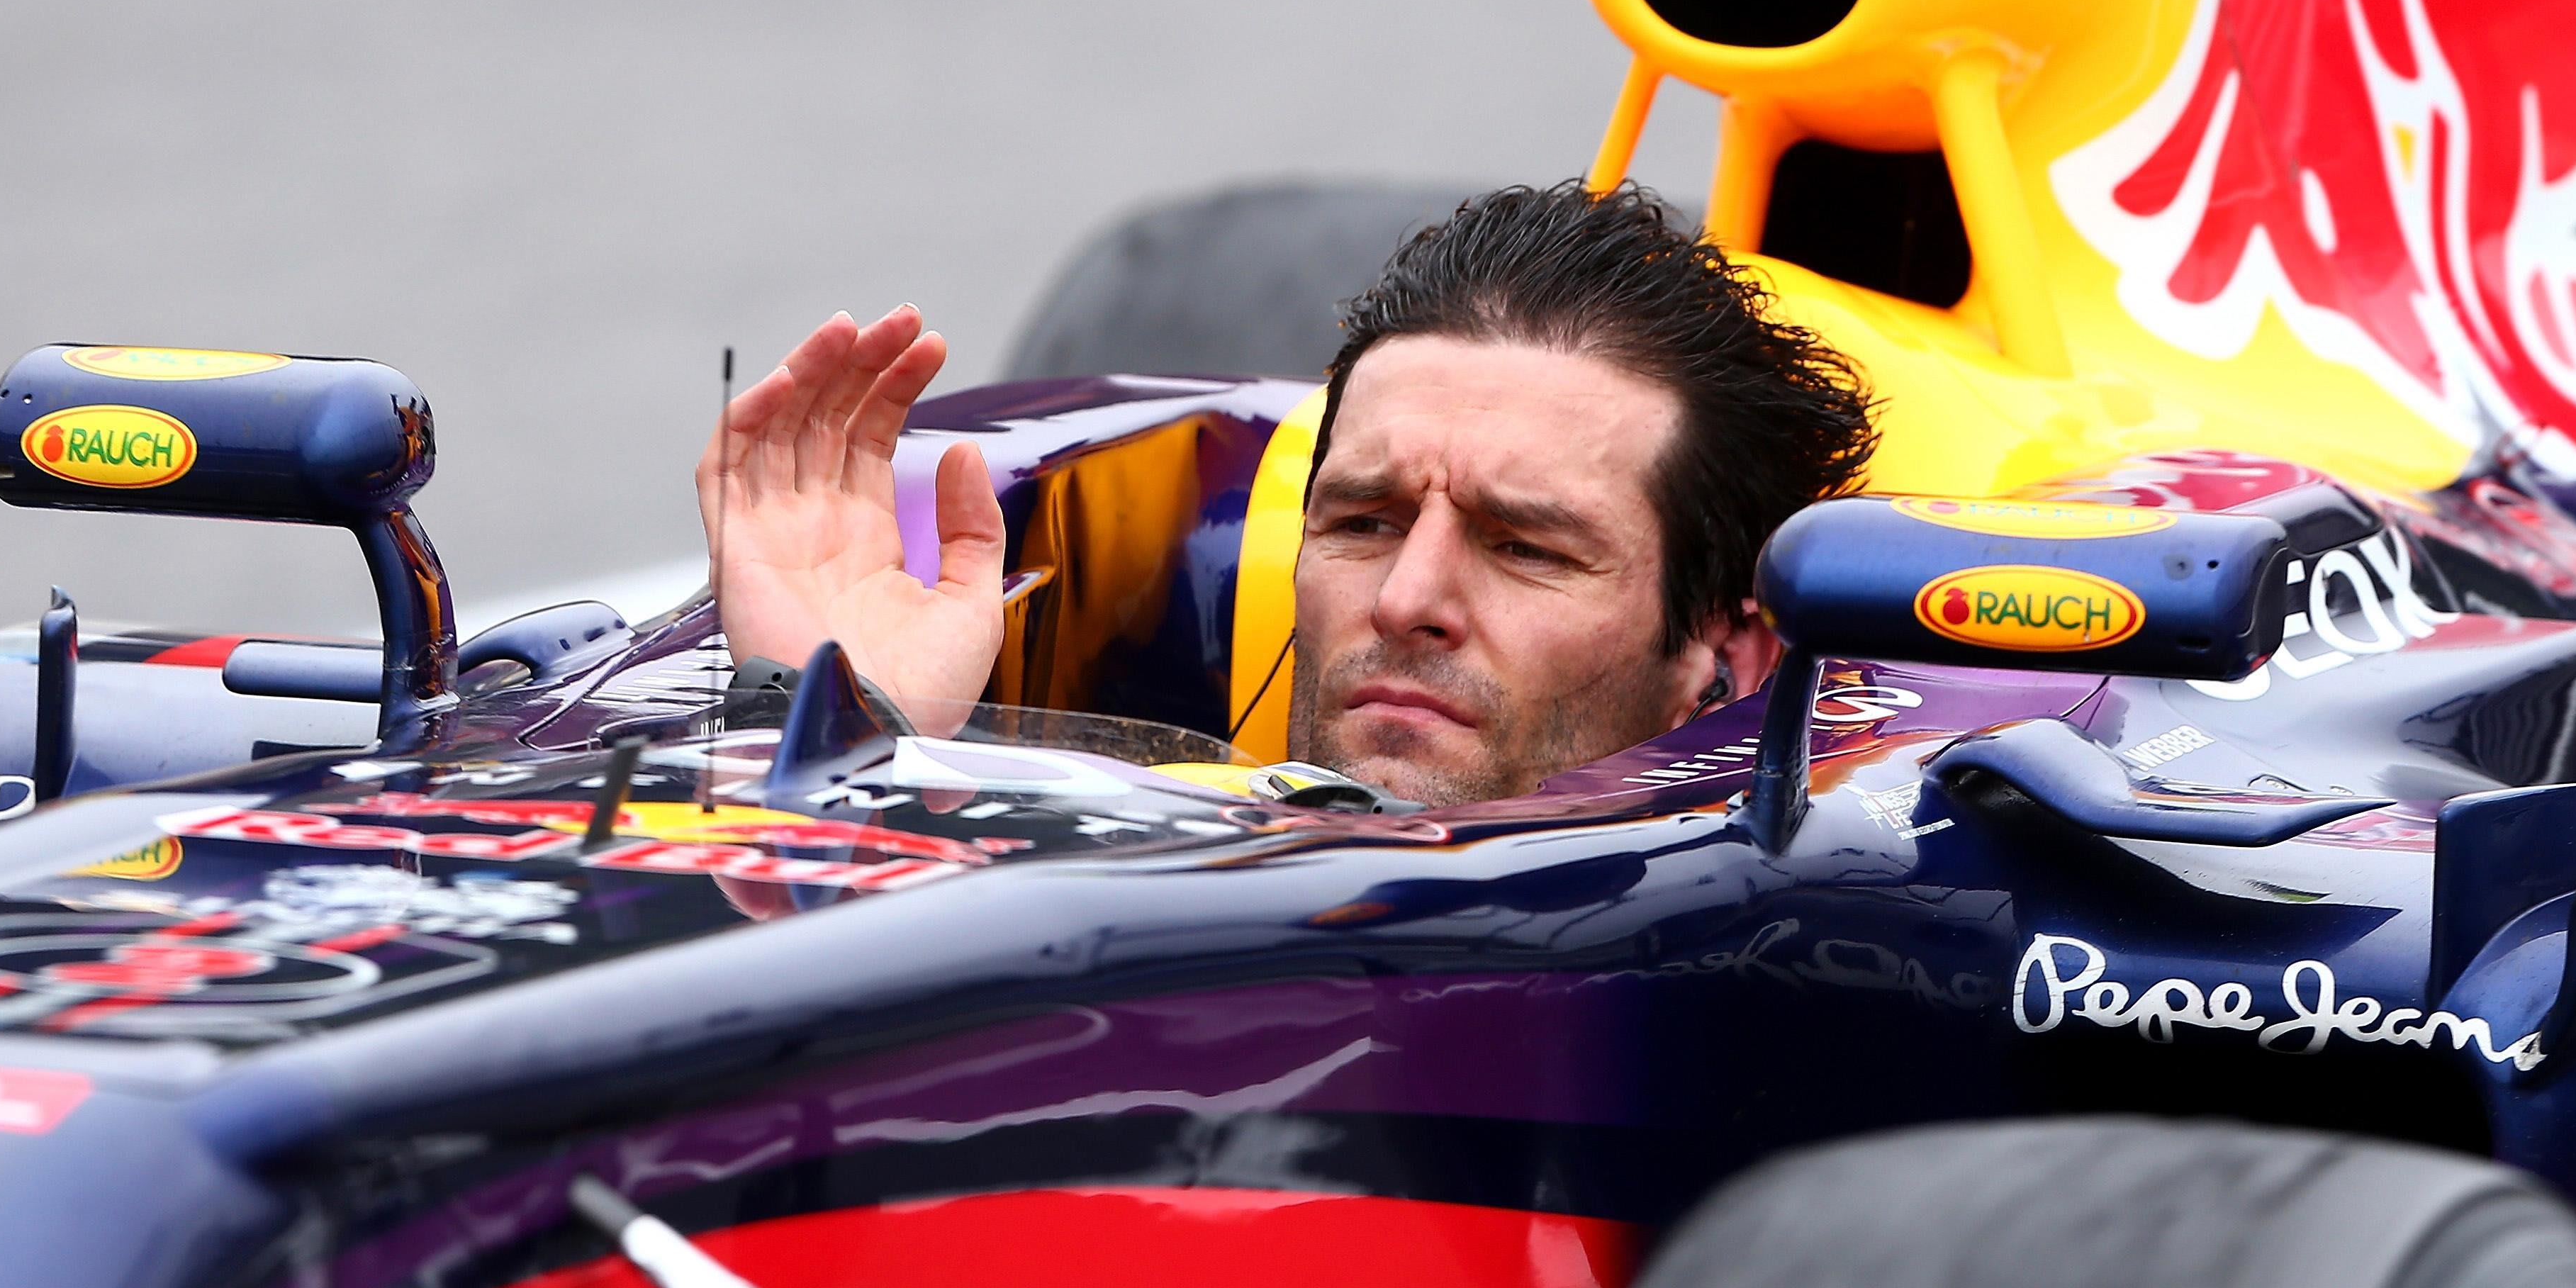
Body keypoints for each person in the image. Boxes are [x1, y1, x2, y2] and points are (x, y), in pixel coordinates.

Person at [695, 181, 1878, 806]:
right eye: (1363, 522)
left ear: (1726, 659)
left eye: (1525, 547)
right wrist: (830, 725)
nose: (1407, 599)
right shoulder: (1132, 825)